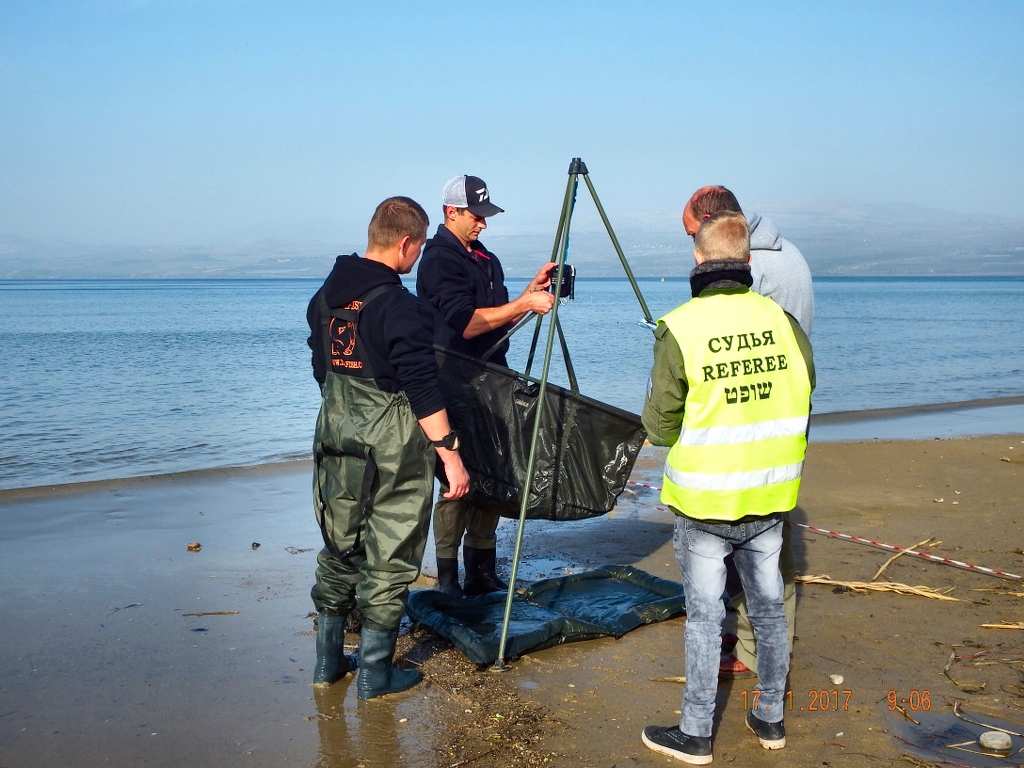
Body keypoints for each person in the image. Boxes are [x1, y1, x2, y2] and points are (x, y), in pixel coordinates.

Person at [640, 211, 814, 763]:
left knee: (705, 616)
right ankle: (770, 720)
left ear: (697, 256)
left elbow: (659, 423)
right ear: (748, 262)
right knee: (767, 608)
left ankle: (695, 734)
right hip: (769, 494)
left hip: (705, 500)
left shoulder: (681, 327)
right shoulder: (782, 322)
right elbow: (803, 393)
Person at [306, 196, 470, 700]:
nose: (417, 258)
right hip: (392, 444)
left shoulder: (325, 298)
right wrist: (451, 456)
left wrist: (348, 417)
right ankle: (375, 674)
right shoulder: (400, 307)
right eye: (417, 249)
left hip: (335, 436)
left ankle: (327, 665)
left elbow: (322, 368)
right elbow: (422, 388)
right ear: (405, 243)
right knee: (391, 553)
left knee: (339, 544)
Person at [683, 186, 814, 679]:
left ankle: (754, 655)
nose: (692, 248)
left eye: (693, 234)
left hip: (754, 422)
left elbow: (728, 344)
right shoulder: (786, 252)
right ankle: (748, 643)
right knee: (761, 537)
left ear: (715, 226)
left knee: (754, 546)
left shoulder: (757, 269)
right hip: (780, 416)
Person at [417, 175, 556, 598]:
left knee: (493, 475)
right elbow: (467, 322)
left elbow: (498, 317)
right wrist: (522, 304)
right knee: (455, 481)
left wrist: (530, 294)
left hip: (493, 381)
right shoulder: (439, 260)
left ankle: (482, 570)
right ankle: (447, 577)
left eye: (486, 216)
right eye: (476, 216)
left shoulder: (486, 259)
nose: (483, 223)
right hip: (453, 385)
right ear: (451, 213)